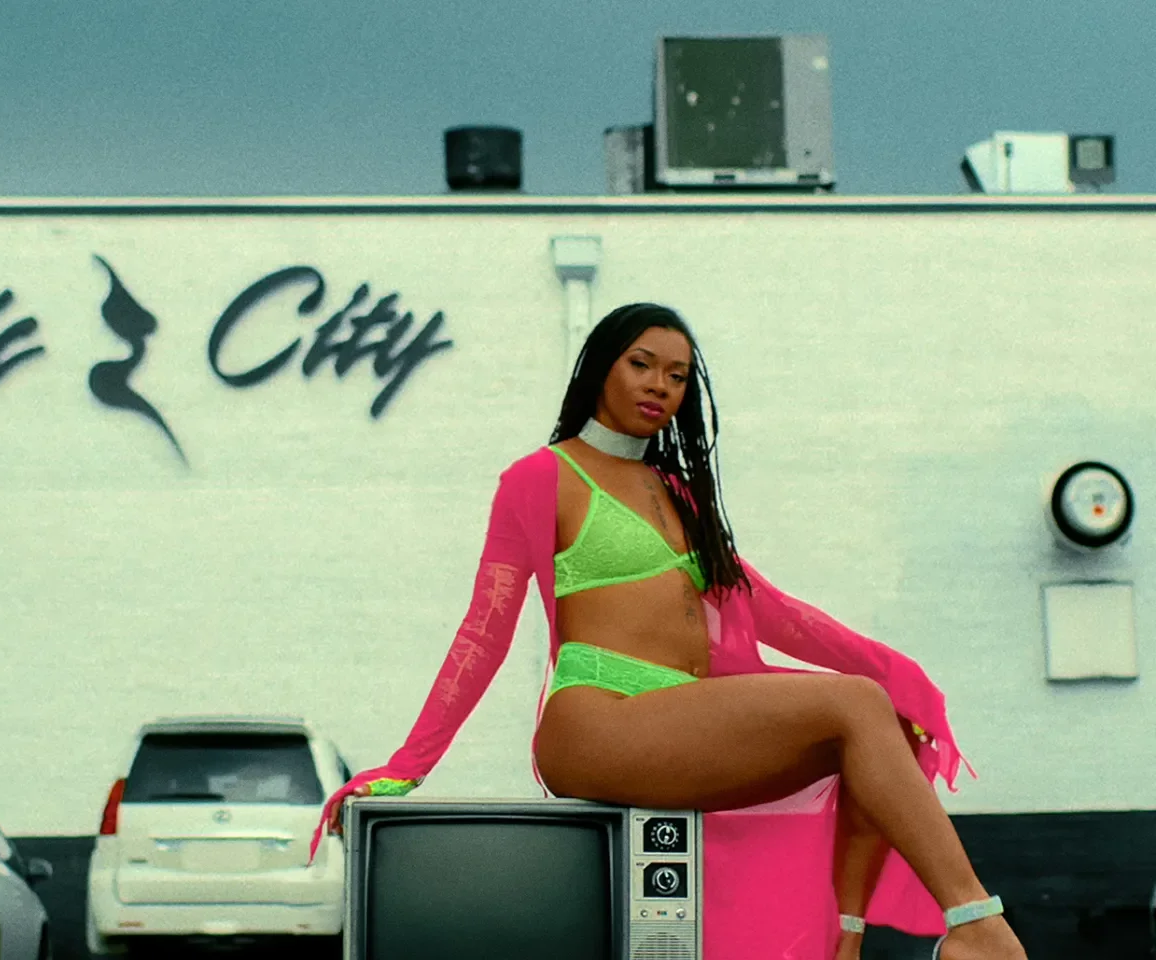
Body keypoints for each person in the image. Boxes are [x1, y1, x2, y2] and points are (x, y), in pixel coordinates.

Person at [308, 303, 1027, 960]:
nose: (659, 385)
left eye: (677, 376)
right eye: (641, 364)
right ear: (601, 367)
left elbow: (773, 610)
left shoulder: (679, 492)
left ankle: (843, 942)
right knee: (856, 705)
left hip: (680, 714)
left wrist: (896, 672)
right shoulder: (541, 477)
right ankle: (976, 922)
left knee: (882, 719)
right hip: (598, 719)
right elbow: (484, 627)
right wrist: (408, 764)